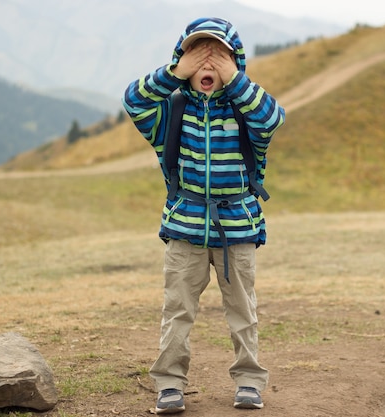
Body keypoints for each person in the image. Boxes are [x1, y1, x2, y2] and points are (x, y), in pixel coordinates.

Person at [122, 17, 285, 413]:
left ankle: (249, 381)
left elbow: (273, 117)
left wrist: (234, 77)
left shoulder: (247, 111)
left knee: (243, 309)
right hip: (184, 227)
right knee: (177, 310)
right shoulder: (171, 113)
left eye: (219, 55)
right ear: (183, 61)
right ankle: (170, 385)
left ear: (235, 63)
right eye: (198, 53)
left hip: (238, 228)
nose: (207, 64)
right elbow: (134, 101)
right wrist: (176, 73)